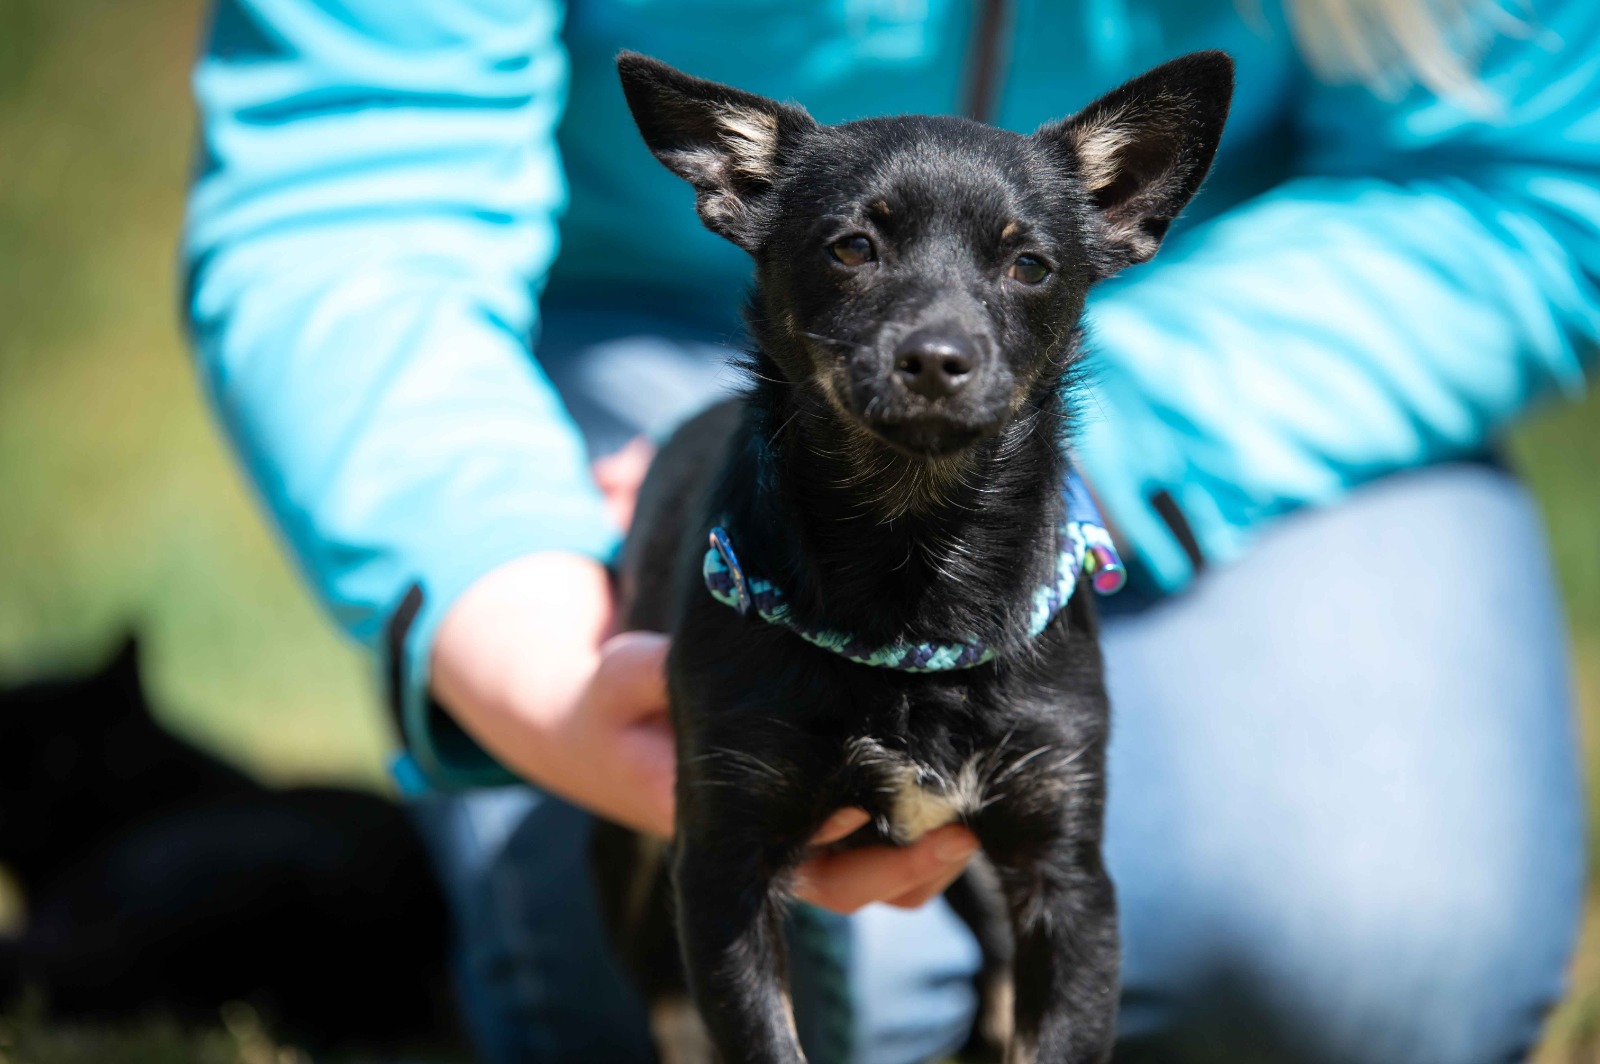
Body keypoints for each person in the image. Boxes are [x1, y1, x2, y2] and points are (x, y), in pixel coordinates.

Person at [184, 2, 1598, 1062]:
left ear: (1120, 213)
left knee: (1380, 962)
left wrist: (1090, 463)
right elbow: (342, 179)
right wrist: (498, 590)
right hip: (636, 327)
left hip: (1282, 342)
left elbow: (1537, 177)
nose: (934, 330)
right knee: (750, 989)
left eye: (1022, 259)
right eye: (865, 245)